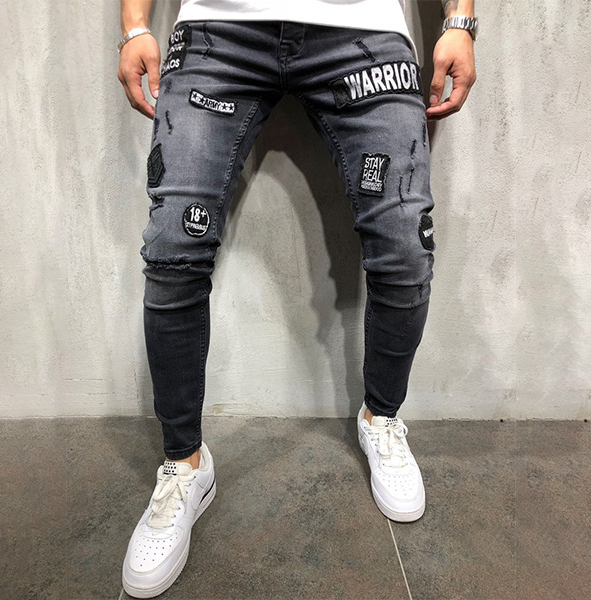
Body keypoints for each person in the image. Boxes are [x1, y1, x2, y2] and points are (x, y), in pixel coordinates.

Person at [117, 0, 476, 596]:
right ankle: (184, 466)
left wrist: (460, 22)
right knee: (173, 246)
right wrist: (134, 26)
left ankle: (381, 419)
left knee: (405, 245)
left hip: (363, 30)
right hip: (218, 27)